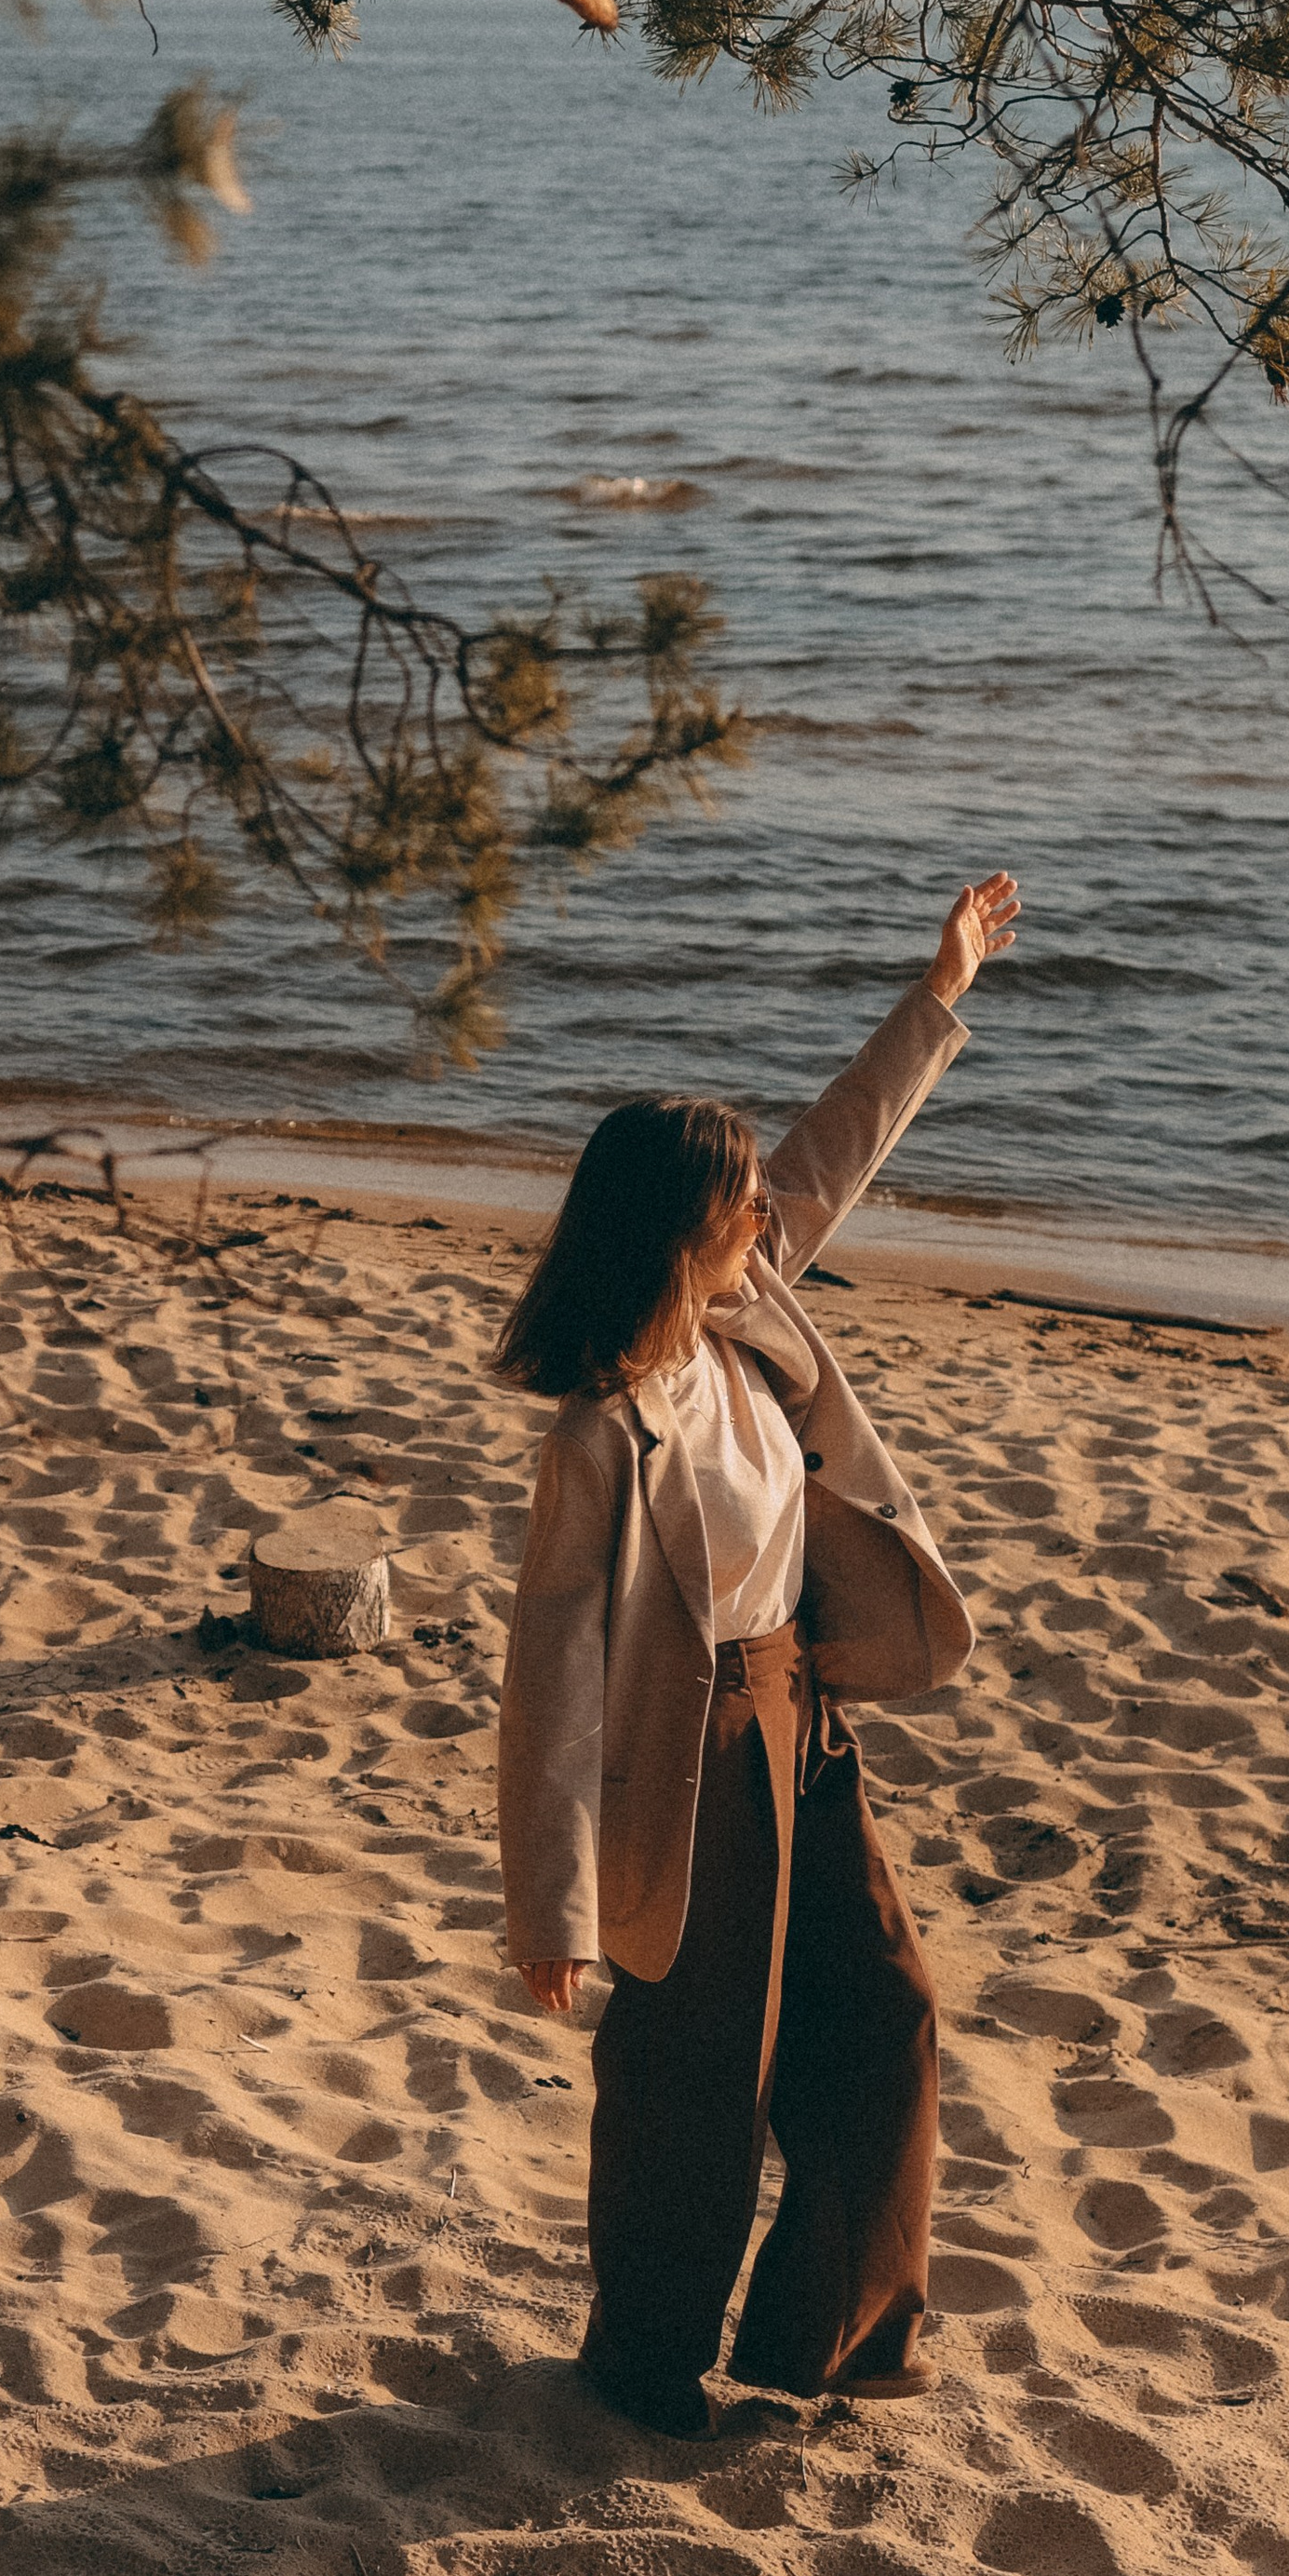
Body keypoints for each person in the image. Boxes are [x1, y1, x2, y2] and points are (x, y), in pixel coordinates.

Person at [490, 872, 1019, 2438]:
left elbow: (835, 1147)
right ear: (679, 1233)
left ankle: (835, 2338)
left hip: (803, 1715)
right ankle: (643, 2363)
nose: (762, 1222)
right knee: (695, 2071)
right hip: (694, 1749)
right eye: (735, 1210)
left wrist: (941, 992)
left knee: (885, 2015)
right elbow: (552, 1679)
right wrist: (552, 1903)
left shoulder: (748, 1313)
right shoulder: (604, 1434)